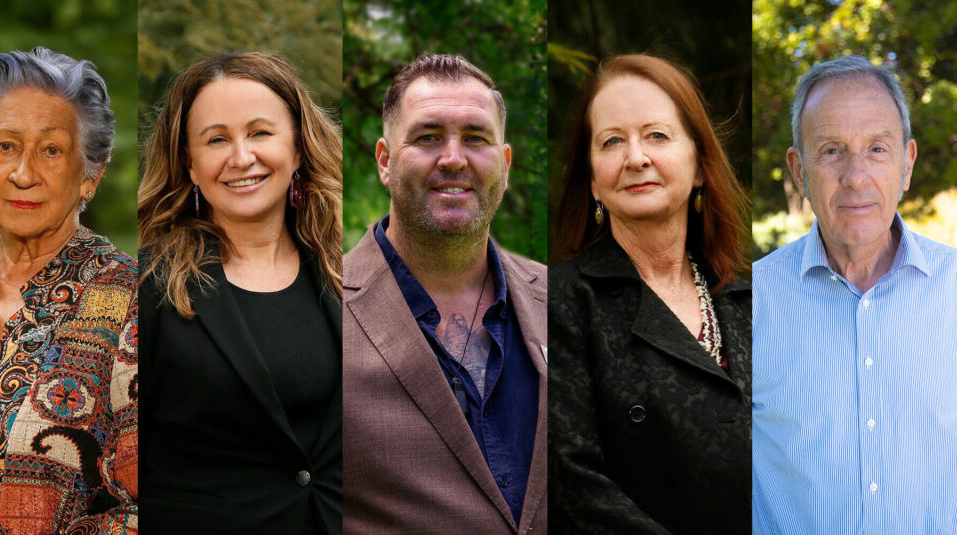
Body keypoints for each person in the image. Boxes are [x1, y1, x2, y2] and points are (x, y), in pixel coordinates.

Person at [0, 47, 137, 533]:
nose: (24, 173)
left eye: (51, 150)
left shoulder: (135, 304)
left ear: (91, 174)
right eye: (5, 146)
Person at [138, 52, 343, 533]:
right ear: (190, 165)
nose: (241, 157)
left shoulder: (344, 271)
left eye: (260, 132)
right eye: (216, 140)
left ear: (297, 148)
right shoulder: (146, 287)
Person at [342, 54, 547, 533]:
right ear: (385, 161)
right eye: (428, 136)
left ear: (505, 162)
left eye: (475, 138)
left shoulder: (557, 300)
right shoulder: (318, 305)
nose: (453, 158)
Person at [753, 55, 957, 533]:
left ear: (906, 164)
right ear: (799, 172)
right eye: (830, 151)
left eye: (877, 149)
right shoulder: (749, 302)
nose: (855, 176)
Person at [548, 54, 752, 534]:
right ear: (594, 180)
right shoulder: (559, 302)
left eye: (657, 135)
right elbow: (571, 482)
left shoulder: (749, 302)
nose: (636, 157)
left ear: (700, 166)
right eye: (612, 141)